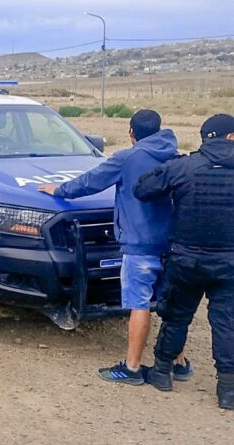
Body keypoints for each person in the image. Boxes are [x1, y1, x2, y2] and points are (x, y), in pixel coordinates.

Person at [39, 109, 189, 385]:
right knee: (172, 306)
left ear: (131, 132)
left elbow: (90, 182)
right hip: (173, 244)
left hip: (138, 245)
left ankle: (132, 368)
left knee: (139, 305)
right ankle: (178, 363)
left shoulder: (128, 158)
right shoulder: (175, 154)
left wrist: (58, 190)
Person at [134, 114, 234, 409]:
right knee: (227, 323)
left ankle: (162, 373)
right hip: (229, 263)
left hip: (187, 260)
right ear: (230, 138)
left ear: (205, 138)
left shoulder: (185, 166)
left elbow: (143, 189)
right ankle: (227, 391)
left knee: (176, 317)